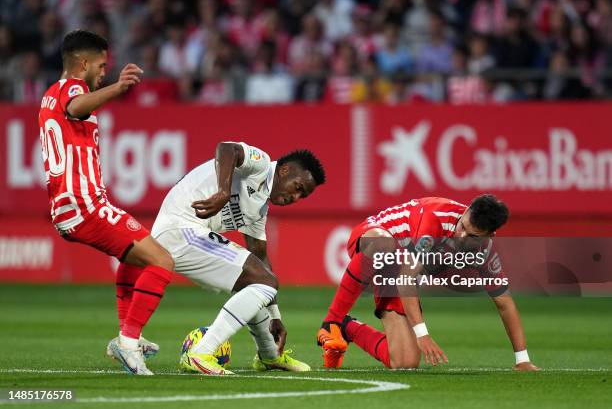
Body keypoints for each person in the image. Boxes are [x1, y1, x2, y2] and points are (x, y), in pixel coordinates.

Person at [38, 29, 174, 376]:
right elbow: (76, 104)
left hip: (74, 206)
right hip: (84, 205)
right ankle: (128, 342)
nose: (103, 72)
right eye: (100, 65)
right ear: (82, 64)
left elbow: (70, 110)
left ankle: (128, 336)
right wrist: (118, 88)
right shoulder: (73, 89)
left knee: (135, 258)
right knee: (162, 261)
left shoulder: (48, 96)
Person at [149, 141, 326, 375]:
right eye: (297, 187)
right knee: (264, 281)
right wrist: (223, 191)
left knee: (260, 281)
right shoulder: (261, 165)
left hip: (188, 234)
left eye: (301, 196)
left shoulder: (259, 209)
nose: (295, 197)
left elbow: (260, 257)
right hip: (179, 229)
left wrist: (275, 316)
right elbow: (226, 149)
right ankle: (201, 353)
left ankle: (269, 355)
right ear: (284, 171)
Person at [317, 195, 539, 372]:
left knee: (405, 363)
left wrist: (522, 359)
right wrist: (422, 333)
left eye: (472, 236)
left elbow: (504, 303)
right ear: (466, 212)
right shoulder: (436, 218)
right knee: (382, 244)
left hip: (397, 270)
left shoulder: (485, 252)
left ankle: (347, 328)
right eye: (463, 226)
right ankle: (331, 323)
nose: (460, 236)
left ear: (490, 236)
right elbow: (407, 278)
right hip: (371, 239)